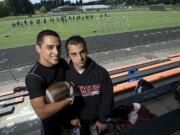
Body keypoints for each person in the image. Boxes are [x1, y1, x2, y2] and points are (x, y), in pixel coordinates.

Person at [25, 30, 73, 135]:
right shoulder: (33, 77)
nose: (56, 52)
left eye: (58, 47)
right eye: (50, 47)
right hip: (53, 128)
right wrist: (69, 100)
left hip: (69, 122)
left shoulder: (62, 62)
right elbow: (42, 112)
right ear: (38, 48)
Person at [65, 35, 114, 135]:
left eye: (82, 52)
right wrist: (72, 117)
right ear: (68, 55)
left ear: (86, 51)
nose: (80, 58)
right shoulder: (66, 75)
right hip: (79, 122)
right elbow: (65, 100)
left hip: (98, 121)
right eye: (74, 54)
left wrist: (102, 119)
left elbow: (108, 97)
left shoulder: (101, 72)